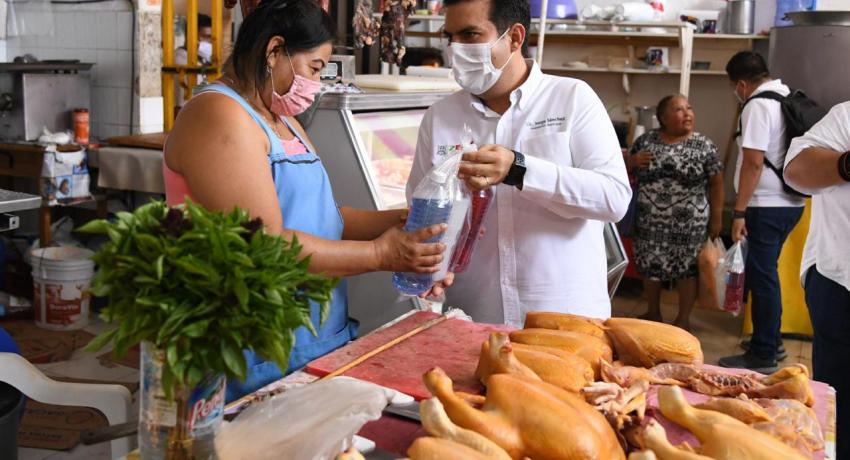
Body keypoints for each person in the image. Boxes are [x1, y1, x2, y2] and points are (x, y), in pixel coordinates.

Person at [163, 0, 447, 402]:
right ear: (274, 51)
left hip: (308, 336)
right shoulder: (219, 115)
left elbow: (326, 217)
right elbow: (264, 244)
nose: (316, 83)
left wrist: (401, 222)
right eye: (315, 68)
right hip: (247, 341)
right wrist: (381, 255)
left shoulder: (280, 118)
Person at [407, 0, 631, 326]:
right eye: (450, 37)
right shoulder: (441, 117)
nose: (455, 49)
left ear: (514, 37)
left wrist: (519, 169)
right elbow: (421, 211)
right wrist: (430, 265)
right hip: (474, 318)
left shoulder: (571, 99)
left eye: (470, 35)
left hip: (566, 319)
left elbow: (613, 198)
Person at [718, 52, 805, 373]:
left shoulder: (756, 105)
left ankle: (764, 353)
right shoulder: (785, 96)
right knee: (766, 274)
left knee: (763, 277)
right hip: (790, 202)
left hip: (765, 206)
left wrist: (738, 212)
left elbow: (754, 162)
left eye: (733, 87)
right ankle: (771, 342)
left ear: (741, 83)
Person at [783, 101, 850, 460]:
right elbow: (796, 170)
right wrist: (846, 163)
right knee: (838, 407)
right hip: (841, 282)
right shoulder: (847, 117)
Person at [628, 95, 724, 331]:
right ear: (663, 118)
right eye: (679, 110)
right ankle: (653, 312)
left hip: (689, 223)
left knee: (686, 270)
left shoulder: (704, 145)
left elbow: (716, 184)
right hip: (650, 220)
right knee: (650, 265)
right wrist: (632, 161)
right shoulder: (645, 142)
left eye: (689, 108)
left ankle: (683, 318)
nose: (687, 114)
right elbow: (622, 171)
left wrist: (717, 219)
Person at [174, 14, 214, 112]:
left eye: (211, 38)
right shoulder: (182, 60)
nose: (210, 42)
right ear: (191, 37)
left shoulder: (202, 59)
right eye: (206, 37)